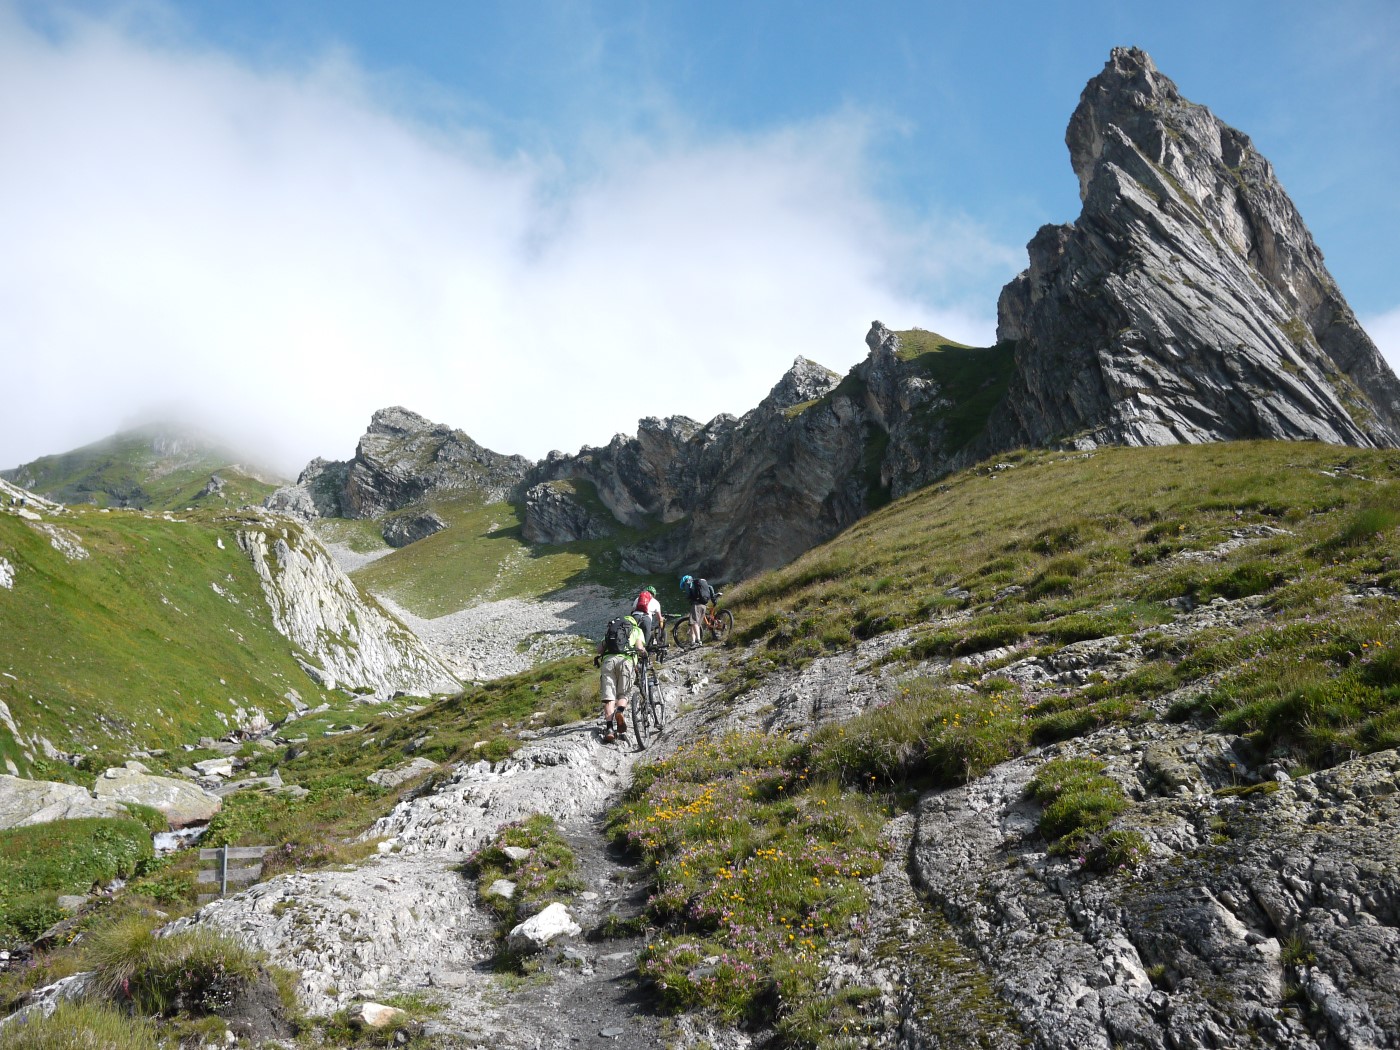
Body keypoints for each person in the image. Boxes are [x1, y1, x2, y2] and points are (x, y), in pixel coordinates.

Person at [593, 613, 648, 743]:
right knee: (623, 693)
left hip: (608, 662)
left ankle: (609, 729)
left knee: (609, 697)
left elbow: (599, 650)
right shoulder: (636, 630)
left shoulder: (612, 630)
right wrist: (644, 653)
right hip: (625, 662)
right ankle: (620, 711)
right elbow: (639, 647)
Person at [680, 574, 717, 645]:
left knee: (694, 622)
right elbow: (710, 587)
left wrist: (688, 599)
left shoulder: (688, 583)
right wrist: (713, 599)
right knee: (693, 624)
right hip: (704, 604)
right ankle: (693, 642)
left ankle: (698, 641)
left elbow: (688, 595)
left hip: (696, 604)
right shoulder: (699, 583)